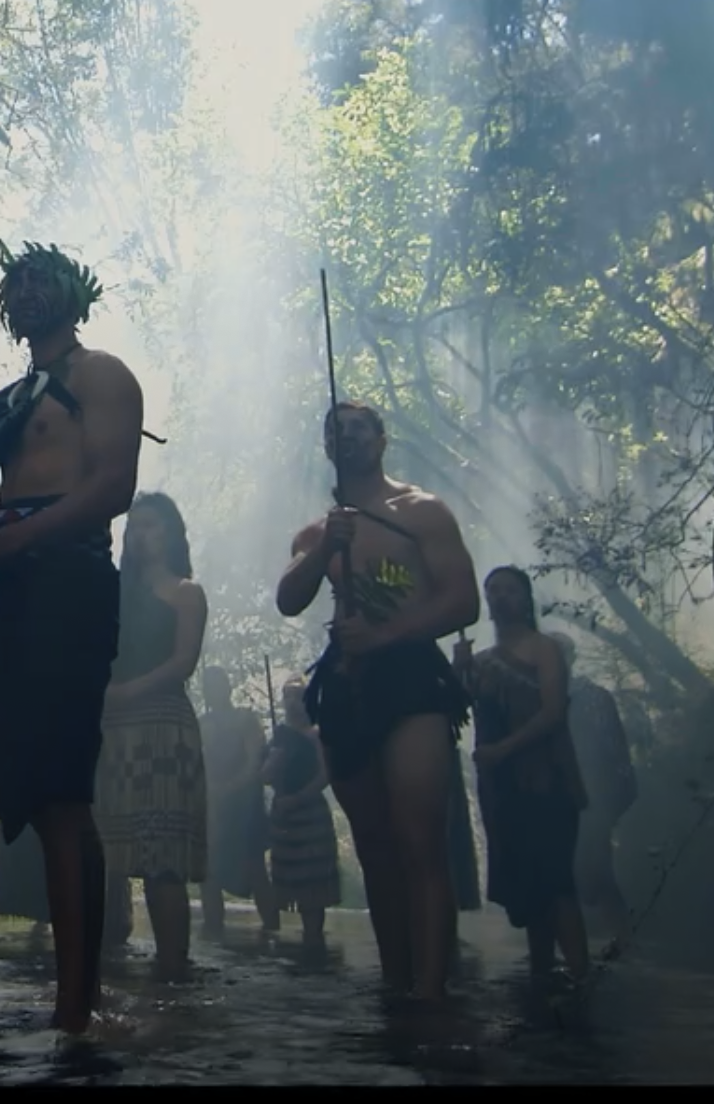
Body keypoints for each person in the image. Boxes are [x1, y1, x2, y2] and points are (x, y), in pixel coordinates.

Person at [0, 240, 145, 1037]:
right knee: (42, 795)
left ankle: (77, 1000)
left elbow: (113, 487)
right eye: (21, 281)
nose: (32, 290)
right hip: (7, 591)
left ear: (78, 294)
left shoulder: (102, 376)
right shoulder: (13, 399)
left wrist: (12, 541)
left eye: (46, 278)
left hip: (67, 582)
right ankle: (77, 993)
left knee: (61, 791)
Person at [274, 401, 482, 1002]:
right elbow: (289, 598)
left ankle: (432, 990)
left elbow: (463, 601)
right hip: (345, 686)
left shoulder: (422, 513)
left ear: (382, 440)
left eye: (358, 429)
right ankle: (396, 983)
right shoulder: (319, 531)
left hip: (411, 679)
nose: (347, 438)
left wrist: (387, 635)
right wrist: (323, 550)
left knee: (420, 840)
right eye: (335, 431)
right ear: (326, 447)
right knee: (375, 845)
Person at [93, 492, 209, 977]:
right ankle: (101, 964)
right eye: (134, 526)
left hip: (163, 727)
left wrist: (125, 693)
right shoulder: (109, 592)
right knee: (104, 853)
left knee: (163, 857)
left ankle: (173, 967)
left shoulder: (187, 593)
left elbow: (183, 662)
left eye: (152, 526)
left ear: (171, 534)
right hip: (111, 728)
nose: (141, 535)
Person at [460, 566, 590, 984]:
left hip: (546, 779)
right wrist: (459, 670)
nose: (500, 598)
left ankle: (581, 976)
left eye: (509, 591)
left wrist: (504, 750)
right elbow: (455, 712)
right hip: (502, 789)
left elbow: (552, 713)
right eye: (492, 591)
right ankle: (542, 974)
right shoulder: (481, 662)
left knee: (555, 879)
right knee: (528, 885)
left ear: (525, 598)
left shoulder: (544, 650)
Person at [262, 678, 339, 955]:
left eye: (297, 696)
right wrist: (274, 763)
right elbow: (266, 777)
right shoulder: (280, 737)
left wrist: (299, 798)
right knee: (288, 881)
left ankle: (314, 943)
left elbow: (325, 774)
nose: (292, 702)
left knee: (313, 887)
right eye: (287, 696)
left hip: (308, 813)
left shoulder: (316, 734)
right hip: (284, 815)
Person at [198, 667, 272, 939]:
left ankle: (271, 931)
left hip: (244, 804)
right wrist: (211, 793)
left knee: (254, 867)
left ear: (227, 688)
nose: (212, 691)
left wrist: (229, 788)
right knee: (208, 871)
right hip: (215, 805)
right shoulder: (202, 723)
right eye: (208, 686)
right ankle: (213, 931)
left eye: (217, 685)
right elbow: (199, 765)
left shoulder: (245, 719)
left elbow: (254, 761)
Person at [567, 659, 638, 938]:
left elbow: (613, 746)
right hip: (563, 797)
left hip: (593, 795)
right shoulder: (541, 692)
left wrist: (616, 796)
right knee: (566, 876)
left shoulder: (594, 697)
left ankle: (622, 941)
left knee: (598, 870)